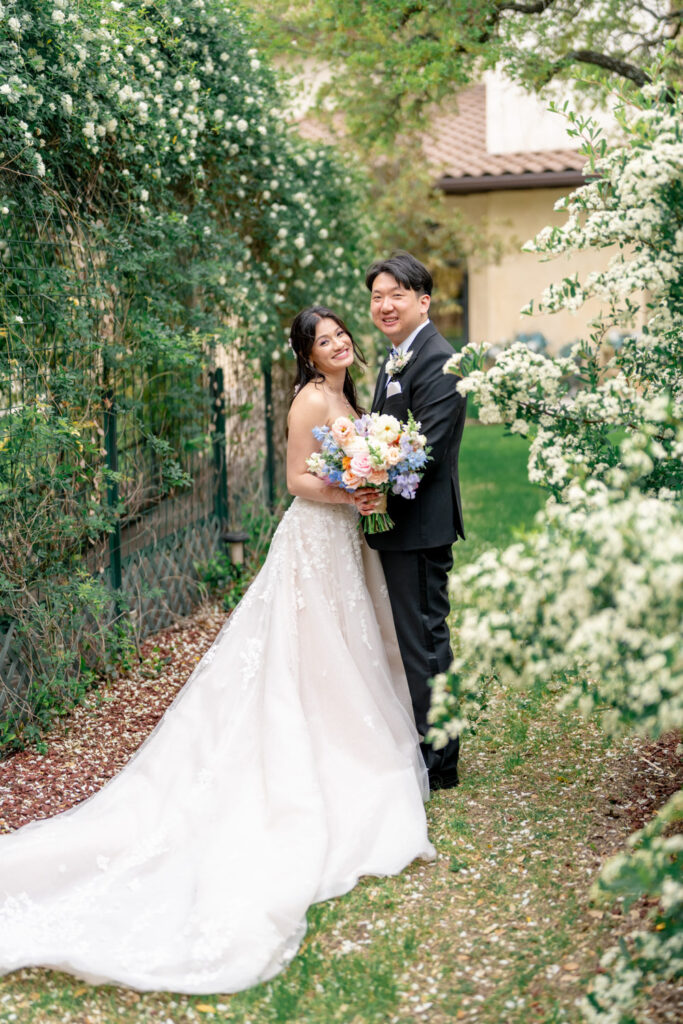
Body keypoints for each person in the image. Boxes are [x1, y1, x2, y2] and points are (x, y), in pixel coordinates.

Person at [0, 305, 434, 995]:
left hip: (342, 540)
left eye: (340, 335)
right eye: (324, 341)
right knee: (306, 652)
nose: (339, 344)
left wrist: (366, 481)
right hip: (314, 541)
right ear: (306, 353)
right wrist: (355, 489)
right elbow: (297, 479)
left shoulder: (344, 395)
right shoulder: (307, 402)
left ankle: (345, 740)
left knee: (342, 649)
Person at [365, 252, 466, 790]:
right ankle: (428, 741)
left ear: (423, 301)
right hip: (399, 526)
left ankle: (441, 761)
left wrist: (372, 487)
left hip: (419, 525)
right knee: (413, 639)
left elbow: (425, 451)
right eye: (378, 296)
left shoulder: (438, 360)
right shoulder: (398, 357)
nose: (384, 305)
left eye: (396, 295)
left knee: (426, 640)